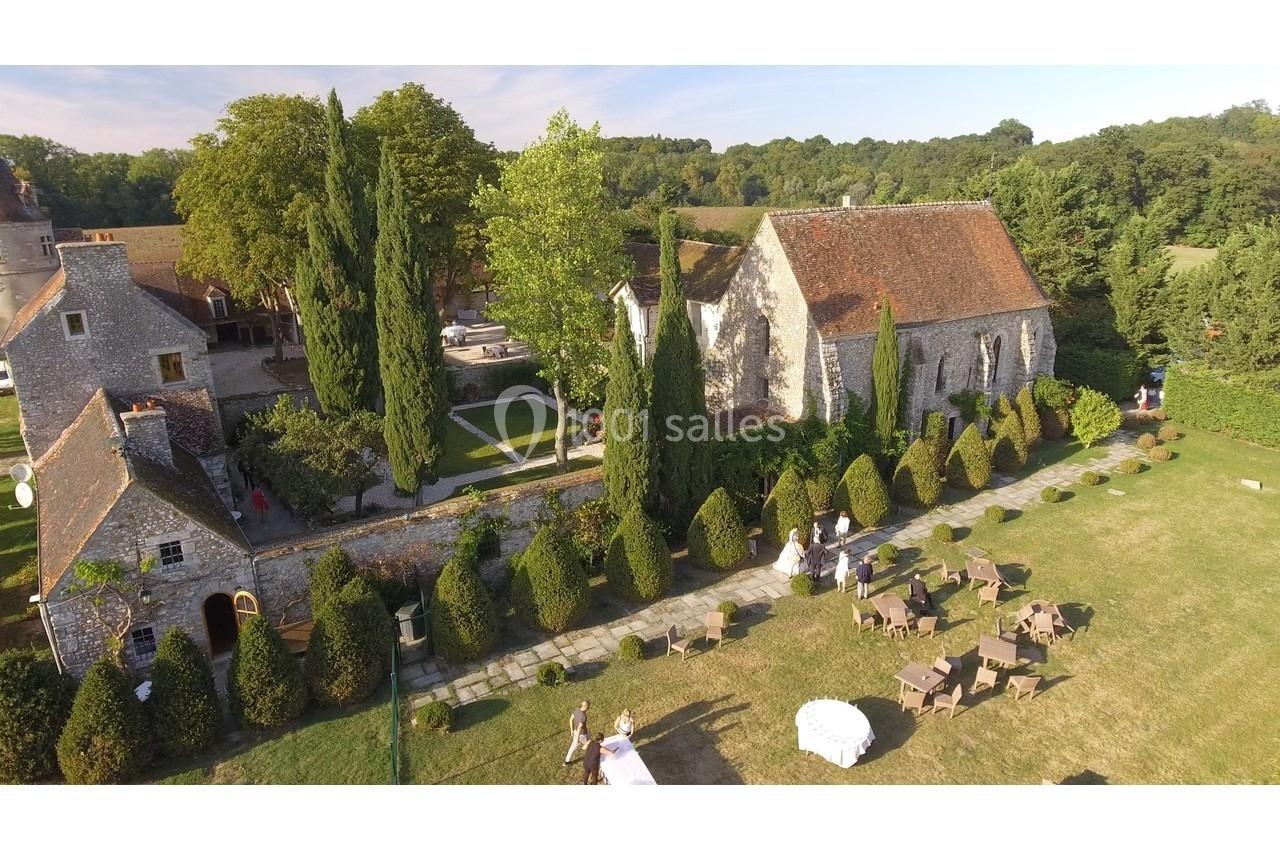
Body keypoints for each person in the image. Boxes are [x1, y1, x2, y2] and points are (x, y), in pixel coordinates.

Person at [564, 700, 591, 765]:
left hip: (575, 732)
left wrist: (572, 730)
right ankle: (592, 757)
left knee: (572, 747)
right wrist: (577, 738)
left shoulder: (576, 710)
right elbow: (579, 728)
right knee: (589, 745)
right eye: (589, 706)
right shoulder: (583, 716)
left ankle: (566, 761)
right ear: (586, 707)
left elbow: (571, 719)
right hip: (582, 734)